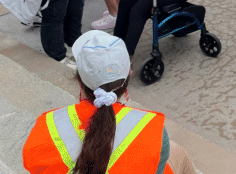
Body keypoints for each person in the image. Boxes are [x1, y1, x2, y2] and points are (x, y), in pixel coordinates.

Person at [23, 29, 200, 174]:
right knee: (177, 152)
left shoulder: (46, 125)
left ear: (79, 81)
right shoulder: (153, 132)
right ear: (129, 75)